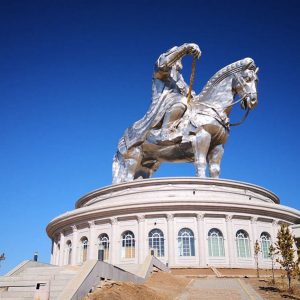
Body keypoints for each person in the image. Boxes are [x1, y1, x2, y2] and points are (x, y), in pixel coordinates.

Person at [123, 43, 201, 150]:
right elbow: (163, 65)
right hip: (163, 104)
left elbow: (189, 93)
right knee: (181, 101)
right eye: (178, 58)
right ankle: (165, 132)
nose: (180, 61)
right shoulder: (161, 68)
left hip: (173, 105)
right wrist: (185, 49)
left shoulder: (179, 78)